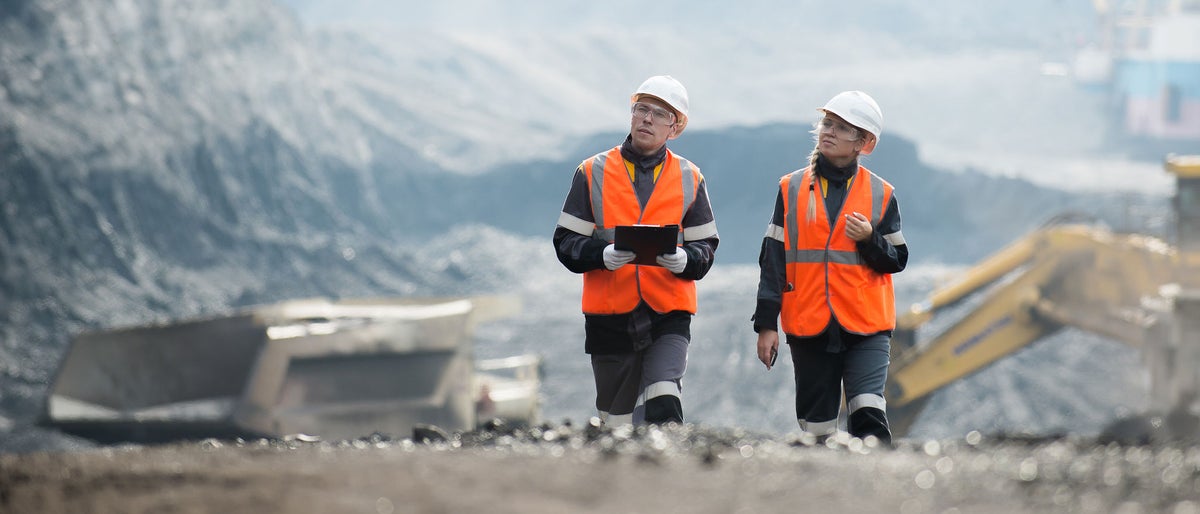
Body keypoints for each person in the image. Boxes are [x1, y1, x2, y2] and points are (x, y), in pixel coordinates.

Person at [553, 75, 719, 426]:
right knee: (616, 424)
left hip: (668, 314)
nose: (647, 119)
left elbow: (706, 246)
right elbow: (566, 242)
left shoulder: (691, 178)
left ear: (675, 128)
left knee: (663, 400)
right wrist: (600, 254)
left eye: (660, 114)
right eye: (642, 109)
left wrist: (686, 260)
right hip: (609, 318)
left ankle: (671, 478)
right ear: (631, 115)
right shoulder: (591, 172)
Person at [752, 90, 906, 444]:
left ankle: (876, 492)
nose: (829, 131)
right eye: (827, 123)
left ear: (864, 144)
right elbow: (773, 260)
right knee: (817, 430)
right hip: (809, 326)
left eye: (841, 128)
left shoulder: (882, 194)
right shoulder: (790, 189)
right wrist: (766, 324)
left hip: (866, 325)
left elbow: (897, 259)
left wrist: (870, 239)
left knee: (869, 413)